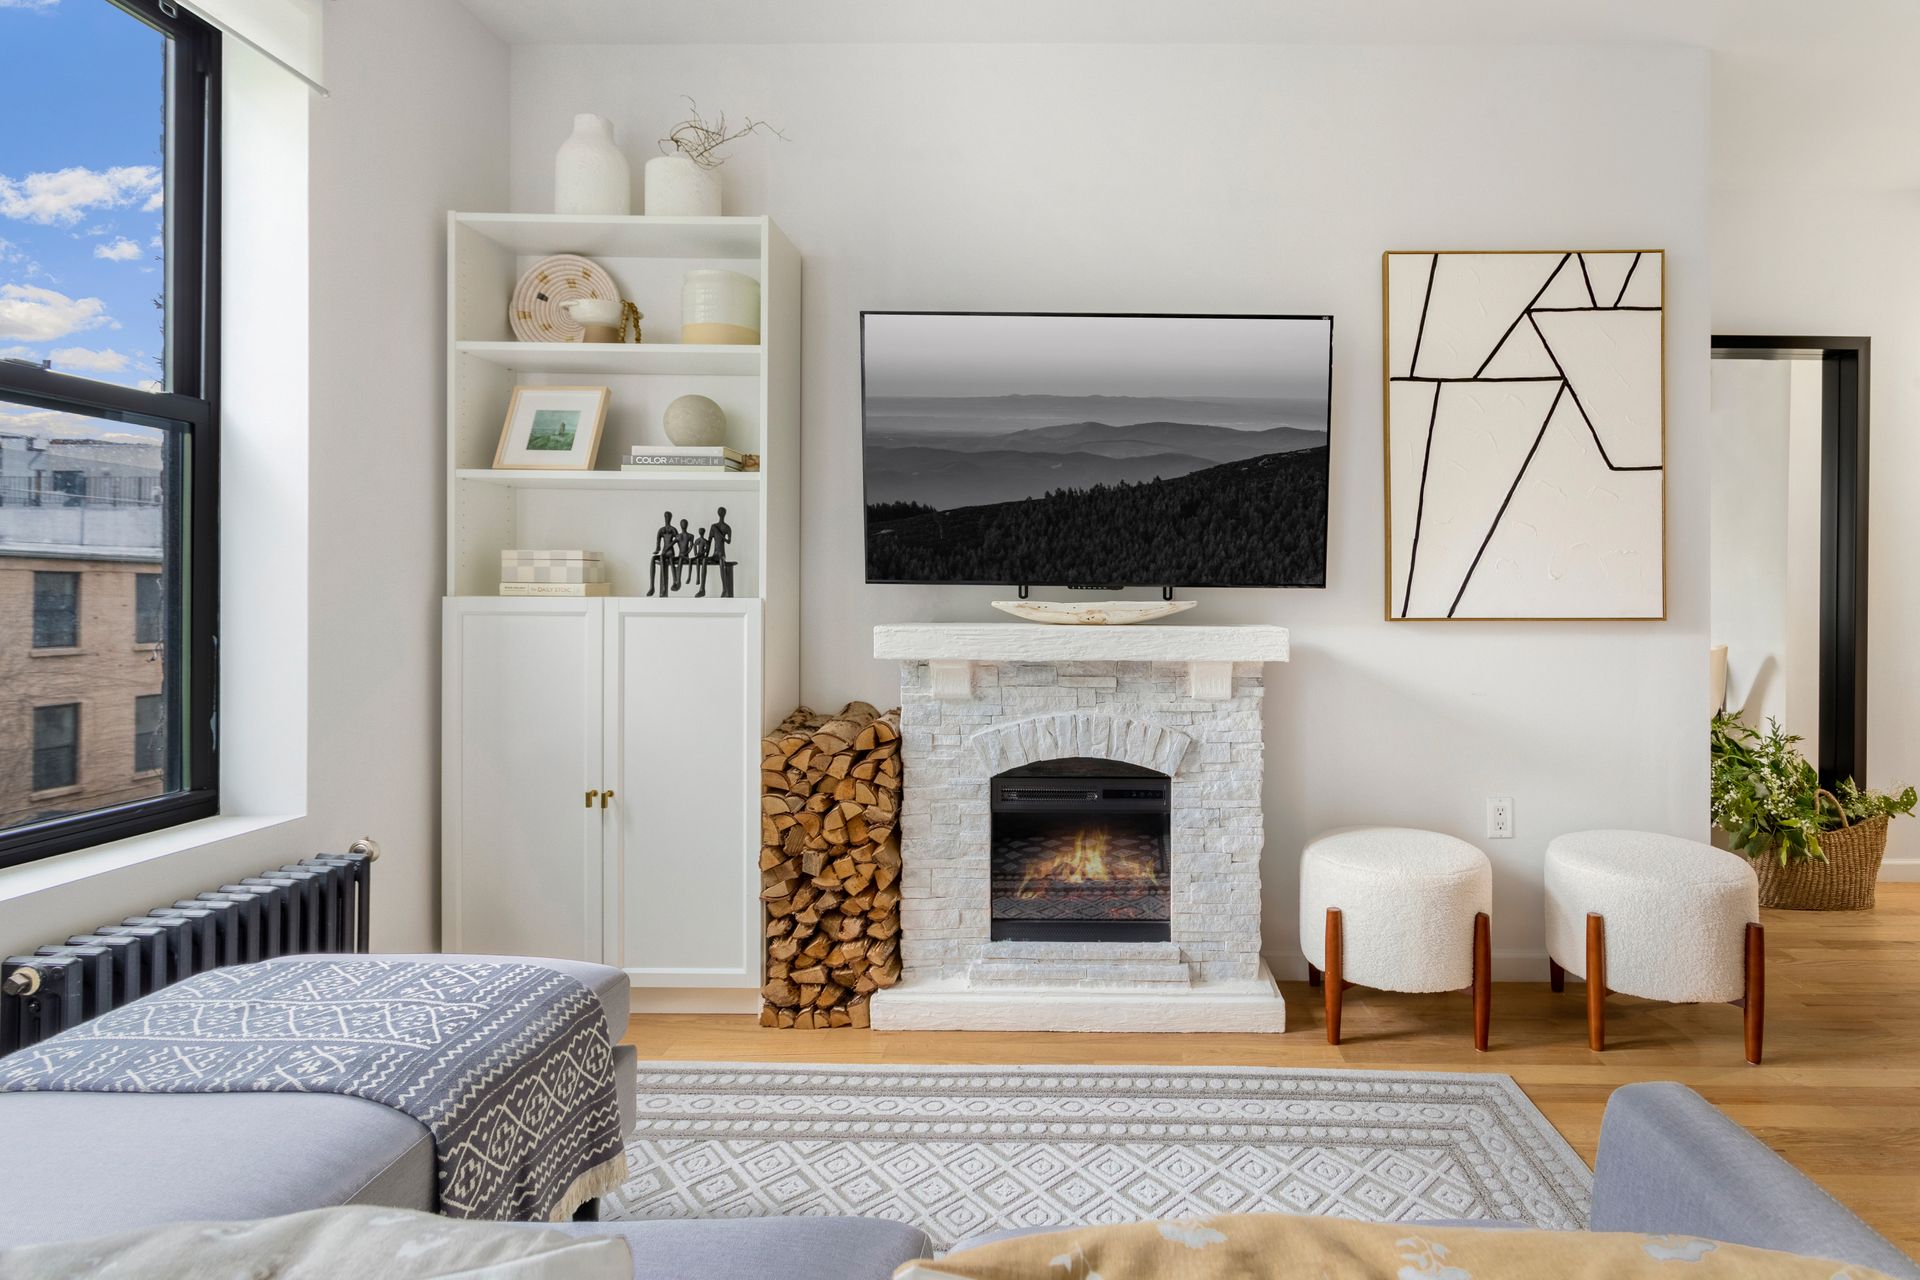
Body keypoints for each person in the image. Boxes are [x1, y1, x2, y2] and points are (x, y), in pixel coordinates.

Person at [646, 510, 675, 596]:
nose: (667, 518)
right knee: (653, 558)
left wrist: (669, 548)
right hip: (663, 551)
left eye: (668, 517)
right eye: (666, 517)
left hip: (670, 552)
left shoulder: (673, 529)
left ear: (671, 518)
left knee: (662, 558)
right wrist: (657, 550)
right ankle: (652, 587)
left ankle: (664, 587)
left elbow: (678, 540)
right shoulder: (661, 530)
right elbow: (658, 544)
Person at [708, 505, 735, 598]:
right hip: (714, 554)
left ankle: (724, 589)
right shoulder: (713, 526)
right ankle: (702, 588)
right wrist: (705, 554)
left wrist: (721, 536)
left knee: (721, 563)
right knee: (703, 561)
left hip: (721, 554)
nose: (721, 514)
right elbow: (709, 541)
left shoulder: (727, 527)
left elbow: (729, 541)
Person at [691, 526, 713, 597]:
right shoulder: (698, 540)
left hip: (702, 556)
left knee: (701, 560)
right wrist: (695, 553)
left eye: (702, 532)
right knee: (697, 560)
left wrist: (704, 554)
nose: (701, 533)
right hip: (698, 556)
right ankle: (698, 577)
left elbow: (707, 549)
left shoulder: (705, 541)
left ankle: (699, 580)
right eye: (700, 532)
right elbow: (694, 546)